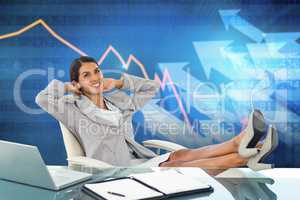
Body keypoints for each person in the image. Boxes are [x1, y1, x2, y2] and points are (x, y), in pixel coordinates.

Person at [35, 56, 269, 174]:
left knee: (180, 155)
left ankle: (240, 143)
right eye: (87, 75)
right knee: (174, 167)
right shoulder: (72, 108)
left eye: (97, 71)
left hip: (137, 160)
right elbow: (42, 99)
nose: (95, 77)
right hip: (113, 171)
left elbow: (152, 88)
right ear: (78, 82)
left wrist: (119, 82)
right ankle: (243, 157)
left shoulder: (117, 102)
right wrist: (67, 87)